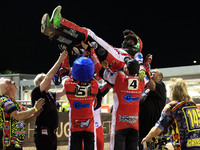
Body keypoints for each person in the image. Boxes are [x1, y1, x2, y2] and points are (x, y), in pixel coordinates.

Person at [41, 5, 145, 73]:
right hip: (111, 61)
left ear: (138, 45)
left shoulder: (136, 54)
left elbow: (140, 67)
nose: (127, 41)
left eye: (131, 40)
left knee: (89, 34)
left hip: (116, 59)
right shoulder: (123, 51)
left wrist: (145, 67)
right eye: (127, 39)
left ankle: (60, 23)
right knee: (79, 43)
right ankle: (53, 32)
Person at [141, 78, 200, 150]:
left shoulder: (172, 107)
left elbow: (158, 128)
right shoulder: (193, 105)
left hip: (183, 146)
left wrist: (147, 138)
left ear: (172, 91)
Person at [31, 50, 68, 150]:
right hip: (42, 133)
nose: (50, 80)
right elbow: (49, 76)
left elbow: (64, 91)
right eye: (45, 79)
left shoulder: (49, 94)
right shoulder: (37, 92)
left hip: (52, 133)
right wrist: (59, 61)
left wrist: (68, 75)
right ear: (39, 82)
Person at [61, 56, 98, 150]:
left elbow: (63, 74)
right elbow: (94, 76)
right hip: (89, 127)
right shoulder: (94, 85)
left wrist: (65, 58)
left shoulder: (68, 84)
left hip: (75, 127)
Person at [0, 78, 45, 150]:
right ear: (7, 88)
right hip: (8, 145)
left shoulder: (13, 102)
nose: (14, 82)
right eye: (10, 82)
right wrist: (34, 109)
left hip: (16, 145)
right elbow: (17, 116)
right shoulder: (5, 100)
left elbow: (21, 122)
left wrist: (34, 115)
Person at [139, 67, 166, 149]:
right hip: (142, 128)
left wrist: (144, 71)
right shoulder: (145, 88)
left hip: (153, 130)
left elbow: (151, 85)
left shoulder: (160, 85)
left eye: (154, 72)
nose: (151, 73)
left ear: (159, 77)